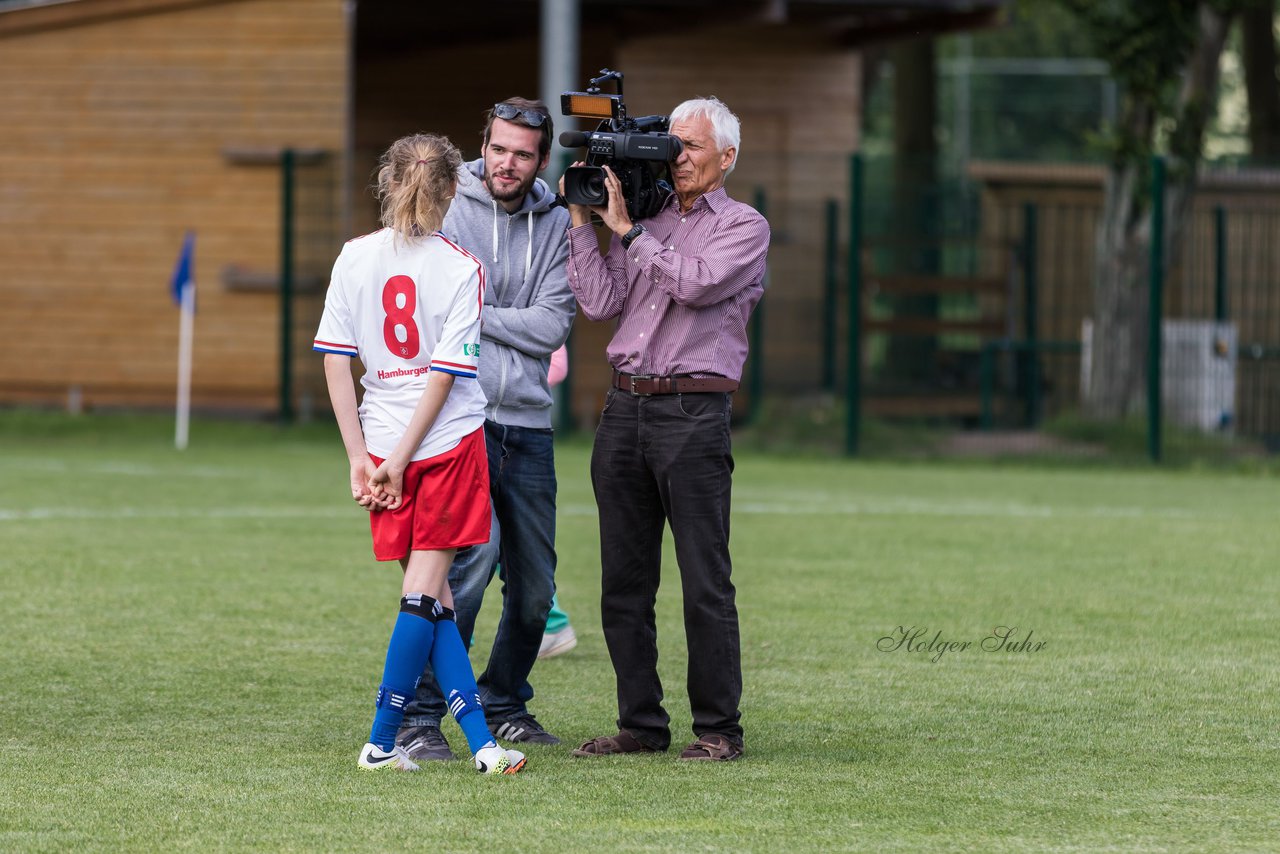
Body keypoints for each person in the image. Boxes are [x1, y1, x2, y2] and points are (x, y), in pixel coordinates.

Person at [562, 97, 769, 762]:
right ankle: (641, 726)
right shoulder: (643, 219)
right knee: (624, 581)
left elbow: (698, 285)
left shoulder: (745, 226)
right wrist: (581, 218)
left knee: (704, 579)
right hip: (624, 410)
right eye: (671, 146)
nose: (677, 159)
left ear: (726, 157)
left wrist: (627, 232)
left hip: (692, 413)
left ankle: (718, 731)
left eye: (692, 148)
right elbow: (598, 303)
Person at [313, 132, 526, 774]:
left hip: (379, 441)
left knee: (435, 601)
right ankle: (381, 741)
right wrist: (402, 460)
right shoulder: (461, 266)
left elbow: (334, 360)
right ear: (453, 190)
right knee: (424, 596)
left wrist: (361, 456)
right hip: (442, 447)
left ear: (387, 182)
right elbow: (443, 375)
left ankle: (484, 746)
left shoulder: (353, 256)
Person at [395, 98, 575, 762]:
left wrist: (476, 309)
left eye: (523, 154)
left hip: (528, 426)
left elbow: (553, 325)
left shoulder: (557, 221)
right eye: (499, 149)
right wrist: (499, 313)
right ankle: (418, 716)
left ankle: (505, 702)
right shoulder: (449, 201)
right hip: (459, 421)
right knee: (464, 576)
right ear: (483, 146)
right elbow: (432, 302)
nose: (508, 163)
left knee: (535, 592)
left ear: (540, 160)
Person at [539, 345, 578, 660]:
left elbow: (558, 365)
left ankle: (553, 621)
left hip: (519, 430)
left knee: (494, 540)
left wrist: (520, 380)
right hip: (470, 427)